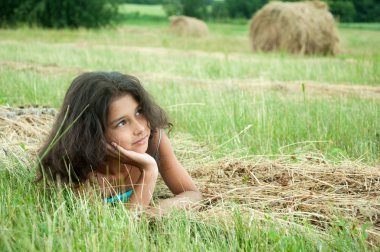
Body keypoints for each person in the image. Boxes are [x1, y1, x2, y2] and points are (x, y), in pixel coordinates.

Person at [37, 71, 203, 214]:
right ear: (95, 133)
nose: (140, 128)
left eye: (139, 112)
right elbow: (126, 227)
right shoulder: (85, 175)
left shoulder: (154, 140)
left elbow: (192, 194)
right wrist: (149, 170)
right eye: (122, 122)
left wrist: (154, 212)